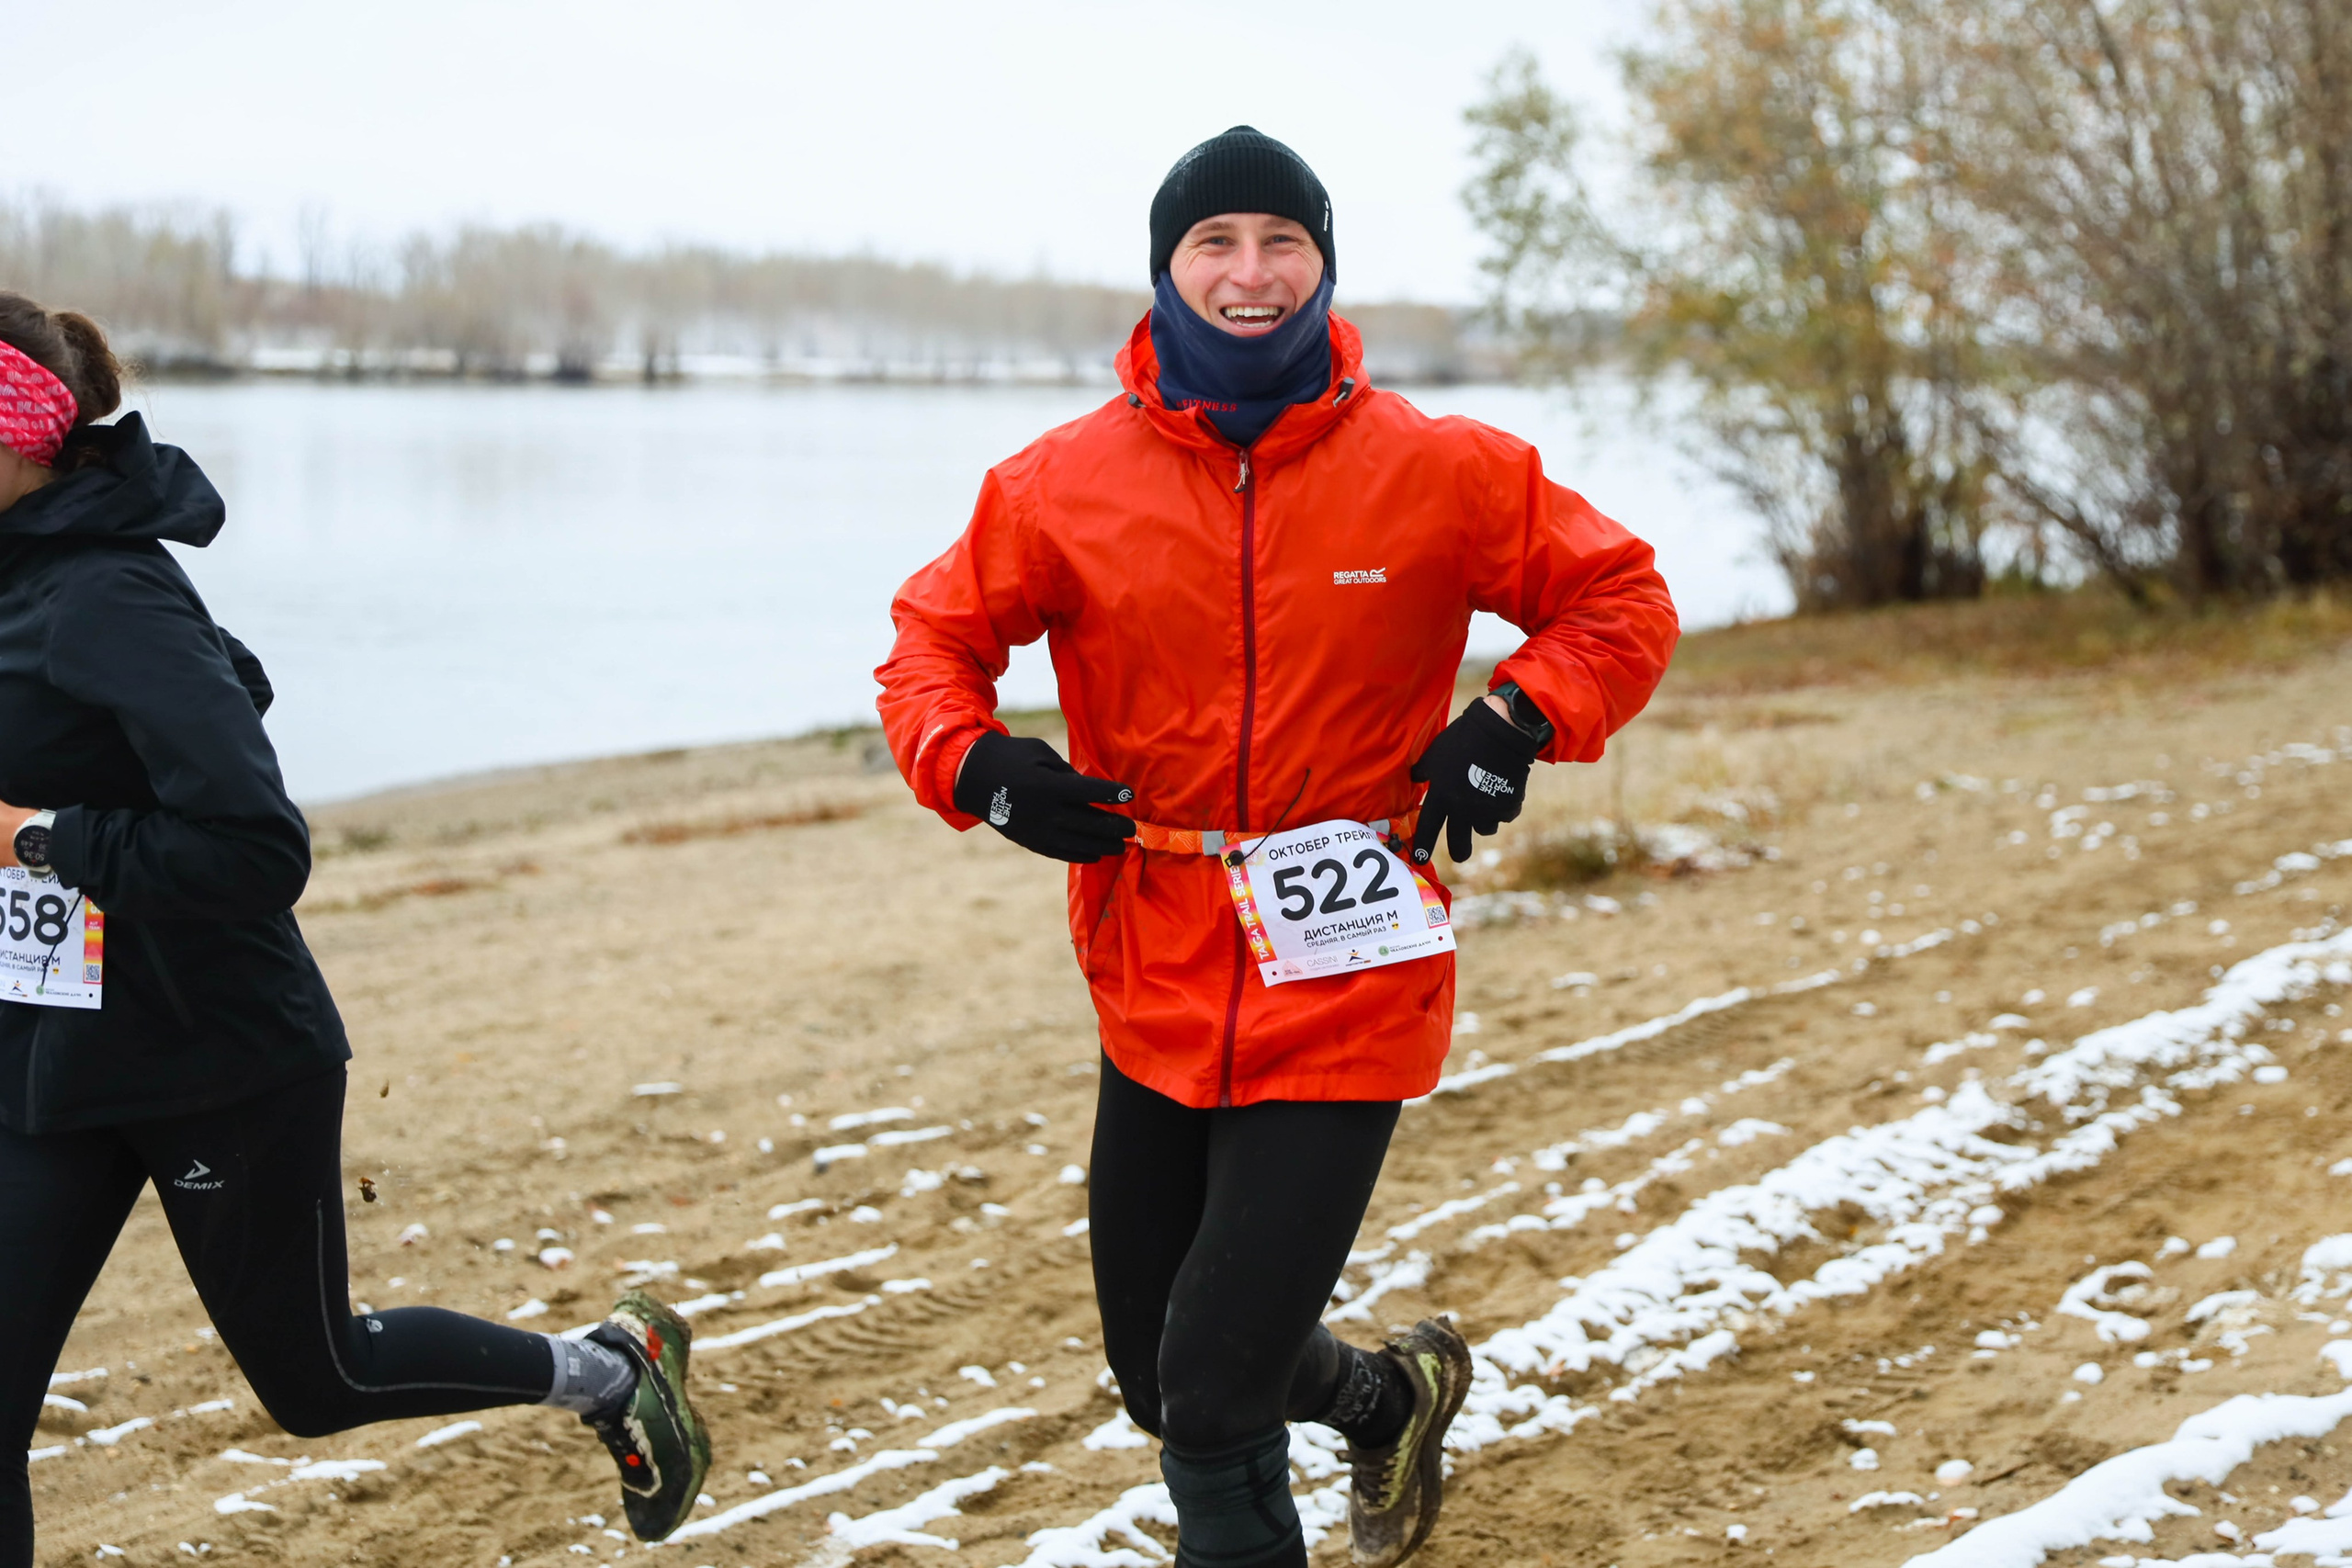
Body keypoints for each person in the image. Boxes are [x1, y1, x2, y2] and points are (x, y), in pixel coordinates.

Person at [877, 129, 1679, 1567]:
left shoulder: (1436, 470)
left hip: (1352, 960)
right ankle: (1388, 1399)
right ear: (1165, 271)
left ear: (1323, 263)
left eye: (1282, 242)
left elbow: (1619, 597)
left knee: (1214, 1385)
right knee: (1160, 1374)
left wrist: (1515, 719)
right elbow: (930, 644)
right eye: (1215, 245)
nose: (1251, 274)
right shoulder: (1061, 483)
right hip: (1153, 964)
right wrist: (979, 764)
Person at [0, 293, 710, 1566]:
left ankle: (608, 1372)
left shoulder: (106, 595)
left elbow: (259, 847)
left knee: (317, 1379)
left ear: (18, 435)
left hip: (214, 1055)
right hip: (50, 1048)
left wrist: (40, 835)